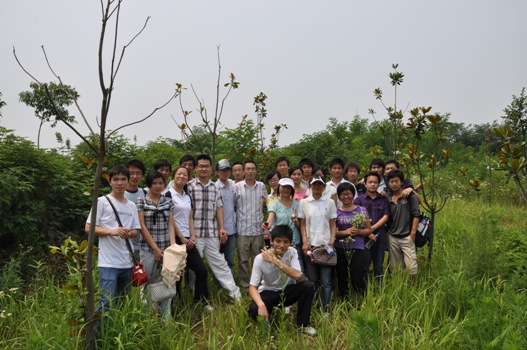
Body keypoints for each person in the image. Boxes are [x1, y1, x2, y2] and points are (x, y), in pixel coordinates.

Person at [85, 165, 141, 320]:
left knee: (123, 303)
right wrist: (112, 231)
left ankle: (116, 334)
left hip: (127, 263)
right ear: (109, 182)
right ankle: (96, 338)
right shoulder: (102, 202)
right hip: (108, 263)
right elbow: (88, 228)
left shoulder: (131, 205)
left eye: (123, 179)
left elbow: (136, 230)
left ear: (128, 181)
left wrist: (129, 233)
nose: (119, 183)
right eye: (115, 179)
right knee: (106, 303)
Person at [187, 155, 241, 301]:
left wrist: (222, 228)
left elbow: (219, 208)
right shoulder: (190, 186)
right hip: (195, 233)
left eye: (206, 166)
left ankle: (235, 294)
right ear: (196, 168)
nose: (204, 169)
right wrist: (190, 234)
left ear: (211, 169)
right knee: (194, 268)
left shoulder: (215, 187)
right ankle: (194, 293)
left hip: (211, 233)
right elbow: (188, 210)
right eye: (201, 166)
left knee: (220, 264)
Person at [248, 225, 316, 336]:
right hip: (269, 292)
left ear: (290, 243)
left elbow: (298, 276)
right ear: (271, 241)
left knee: (308, 286)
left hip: (287, 291)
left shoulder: (292, 252)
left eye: (285, 242)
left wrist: (274, 260)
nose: (281, 245)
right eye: (278, 241)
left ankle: (303, 325)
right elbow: (252, 287)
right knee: (254, 309)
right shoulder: (260, 258)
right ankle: (268, 317)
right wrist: (261, 305)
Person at [167, 166, 212, 308]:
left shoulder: (187, 197)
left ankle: (200, 300)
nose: (182, 176)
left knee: (201, 270)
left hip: (189, 238)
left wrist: (193, 236)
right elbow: (170, 218)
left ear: (188, 178)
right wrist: (182, 237)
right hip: (175, 238)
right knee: (177, 273)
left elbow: (190, 217)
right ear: (173, 176)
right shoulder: (168, 194)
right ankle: (175, 303)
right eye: (179, 173)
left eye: (185, 174)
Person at [137, 170, 176, 320]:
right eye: (155, 183)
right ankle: (146, 317)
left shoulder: (168, 202)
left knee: (167, 282)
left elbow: (170, 225)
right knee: (146, 283)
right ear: (149, 185)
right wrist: (155, 248)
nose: (158, 186)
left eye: (161, 183)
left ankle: (166, 319)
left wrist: (172, 246)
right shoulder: (142, 201)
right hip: (147, 249)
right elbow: (142, 225)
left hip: (166, 249)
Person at [298, 174, 337, 314]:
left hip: (326, 245)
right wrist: (305, 241)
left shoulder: (330, 202)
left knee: (326, 281)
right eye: (314, 184)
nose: (317, 187)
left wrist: (331, 242)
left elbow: (333, 224)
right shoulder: (304, 202)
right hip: (310, 245)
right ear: (310, 186)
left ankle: (326, 309)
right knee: (313, 280)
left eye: (320, 184)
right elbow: (303, 224)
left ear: (324, 186)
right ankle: (312, 306)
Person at [233, 159, 268, 288]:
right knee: (242, 259)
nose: (250, 171)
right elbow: (233, 205)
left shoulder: (261, 186)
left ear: (256, 171)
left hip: (258, 229)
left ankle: (256, 282)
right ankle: (244, 283)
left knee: (257, 258)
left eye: (253, 169)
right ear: (243, 171)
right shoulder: (237, 187)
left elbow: (266, 201)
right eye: (247, 169)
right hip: (242, 229)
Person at [335, 182, 371, 298]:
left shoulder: (362, 210)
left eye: (349, 193)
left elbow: (368, 230)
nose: (346, 197)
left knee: (357, 276)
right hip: (341, 247)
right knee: (342, 276)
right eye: (343, 194)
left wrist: (359, 232)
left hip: (358, 247)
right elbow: (332, 232)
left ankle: (361, 300)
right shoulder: (336, 212)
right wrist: (345, 232)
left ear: (353, 194)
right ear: (339, 196)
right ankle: (344, 300)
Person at [353, 171, 390, 282]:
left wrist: (372, 229)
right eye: (370, 182)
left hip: (380, 237)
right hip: (363, 239)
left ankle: (379, 291)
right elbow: (356, 217)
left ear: (379, 184)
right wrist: (368, 233)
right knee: (364, 266)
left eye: (375, 182)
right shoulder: (359, 200)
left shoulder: (384, 199)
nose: (373, 184)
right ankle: (364, 291)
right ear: (365, 184)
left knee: (378, 266)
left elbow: (386, 216)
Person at [386, 170, 420, 282]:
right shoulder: (387, 198)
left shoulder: (409, 196)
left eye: (396, 181)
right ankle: (397, 286)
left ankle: (413, 288)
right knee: (394, 266)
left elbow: (416, 214)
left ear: (402, 182)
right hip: (393, 237)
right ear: (388, 183)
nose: (394, 184)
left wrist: (413, 233)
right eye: (391, 182)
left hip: (407, 236)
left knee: (411, 266)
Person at [265, 178, 302, 266]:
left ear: (292, 190)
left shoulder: (298, 205)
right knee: (278, 268)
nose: (286, 189)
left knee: (296, 268)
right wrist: (266, 225)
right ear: (279, 188)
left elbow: (301, 226)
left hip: (294, 242)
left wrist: (295, 220)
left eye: (289, 188)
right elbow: (270, 220)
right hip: (279, 243)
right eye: (284, 187)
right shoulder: (274, 205)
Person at [215, 159, 237, 277]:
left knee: (230, 259)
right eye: (222, 171)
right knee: (219, 259)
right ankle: (220, 283)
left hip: (232, 229)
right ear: (217, 172)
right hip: (220, 230)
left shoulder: (234, 185)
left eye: (227, 170)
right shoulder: (215, 187)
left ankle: (231, 282)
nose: (225, 173)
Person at [124, 159, 147, 261]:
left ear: (142, 176)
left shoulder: (145, 194)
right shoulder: (120, 194)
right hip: (124, 245)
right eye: (131, 173)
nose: (134, 176)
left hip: (143, 245)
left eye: (138, 173)